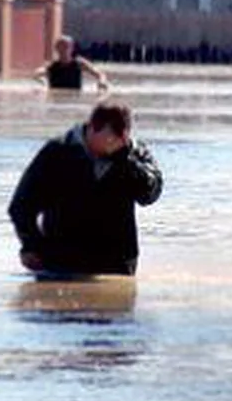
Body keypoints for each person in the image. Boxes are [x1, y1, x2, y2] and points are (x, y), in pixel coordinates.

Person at [8, 101, 163, 277]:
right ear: (93, 129)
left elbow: (149, 195)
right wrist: (31, 245)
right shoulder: (57, 152)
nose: (116, 144)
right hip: (62, 262)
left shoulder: (133, 152)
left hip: (116, 264)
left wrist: (125, 160)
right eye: (111, 138)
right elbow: (21, 206)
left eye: (122, 139)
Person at [34, 35, 109, 91]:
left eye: (66, 47)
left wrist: (102, 81)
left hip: (75, 97)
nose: (63, 50)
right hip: (55, 100)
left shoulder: (79, 63)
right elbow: (37, 73)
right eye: (61, 47)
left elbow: (100, 74)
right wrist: (42, 82)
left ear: (72, 48)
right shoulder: (52, 66)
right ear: (56, 48)